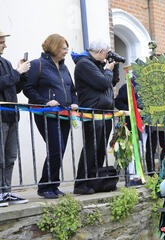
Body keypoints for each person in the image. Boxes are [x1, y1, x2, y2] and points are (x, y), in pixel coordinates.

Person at [24, 34, 79, 199]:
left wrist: (74, 102)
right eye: (63, 48)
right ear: (54, 47)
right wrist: (45, 101)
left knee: (60, 150)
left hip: (65, 114)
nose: (66, 52)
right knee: (56, 148)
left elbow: (72, 89)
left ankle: (53, 185)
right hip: (46, 114)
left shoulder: (64, 67)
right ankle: (44, 186)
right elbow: (28, 89)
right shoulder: (37, 65)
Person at [71, 40, 120, 195]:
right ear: (100, 52)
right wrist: (107, 70)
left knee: (100, 148)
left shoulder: (98, 64)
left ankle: (94, 180)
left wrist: (114, 66)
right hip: (92, 112)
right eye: (106, 53)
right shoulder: (84, 64)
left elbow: (111, 82)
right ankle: (81, 183)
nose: (107, 56)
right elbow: (102, 83)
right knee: (91, 147)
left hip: (104, 112)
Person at [0, 29, 30, 206]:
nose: (5, 45)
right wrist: (16, 72)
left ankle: (6, 192)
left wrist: (22, 75)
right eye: (2, 42)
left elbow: (13, 87)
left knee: (10, 156)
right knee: (0, 157)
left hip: (11, 115)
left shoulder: (5, 62)